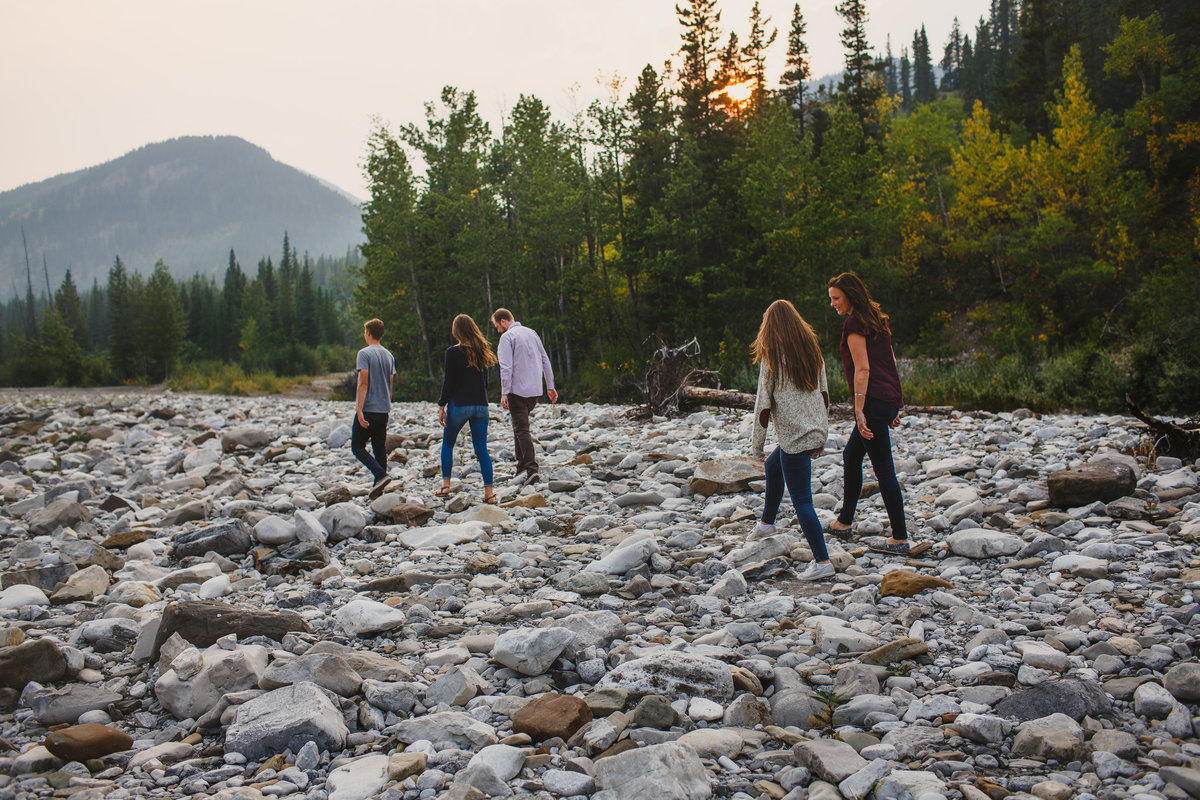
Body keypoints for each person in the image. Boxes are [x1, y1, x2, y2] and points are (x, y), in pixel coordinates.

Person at [827, 272, 912, 555]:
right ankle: (844, 521)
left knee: (883, 468)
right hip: (883, 400)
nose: (833, 304)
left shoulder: (855, 324)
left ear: (850, 295)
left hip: (872, 401)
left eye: (836, 298)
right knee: (851, 455)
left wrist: (859, 410)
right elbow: (891, 361)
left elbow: (863, 369)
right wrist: (893, 405)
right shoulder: (877, 318)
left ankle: (899, 538)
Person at [749, 299, 834, 581]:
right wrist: (823, 431)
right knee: (775, 466)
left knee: (802, 501)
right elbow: (824, 394)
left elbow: (762, 405)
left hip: (795, 440)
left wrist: (756, 447)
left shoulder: (772, 357)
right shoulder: (813, 351)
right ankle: (766, 524)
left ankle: (822, 561)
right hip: (813, 432)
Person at [491, 308, 557, 485]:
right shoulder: (531, 332)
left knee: (522, 429)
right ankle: (521, 467)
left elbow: (506, 367)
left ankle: (530, 468)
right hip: (534, 390)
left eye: (497, 326)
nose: (498, 330)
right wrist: (550, 386)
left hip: (517, 390)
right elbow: (545, 360)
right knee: (519, 427)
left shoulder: (507, 337)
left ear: (503, 321)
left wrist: (504, 392)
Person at [436, 314, 498, 505]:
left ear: (457, 331)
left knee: (448, 443)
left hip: (460, 405)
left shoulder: (452, 352)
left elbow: (449, 381)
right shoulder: (483, 351)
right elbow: (485, 383)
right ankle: (489, 493)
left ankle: (446, 486)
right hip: (481, 406)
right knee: (481, 450)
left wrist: (441, 404)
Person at [353, 318, 396, 501]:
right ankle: (379, 490)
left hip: (369, 408)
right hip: (383, 408)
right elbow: (390, 384)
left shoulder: (364, 353)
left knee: (357, 446)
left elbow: (363, 382)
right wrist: (387, 404)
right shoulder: (389, 356)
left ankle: (380, 475)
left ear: (368, 333)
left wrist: (359, 409)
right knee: (379, 448)